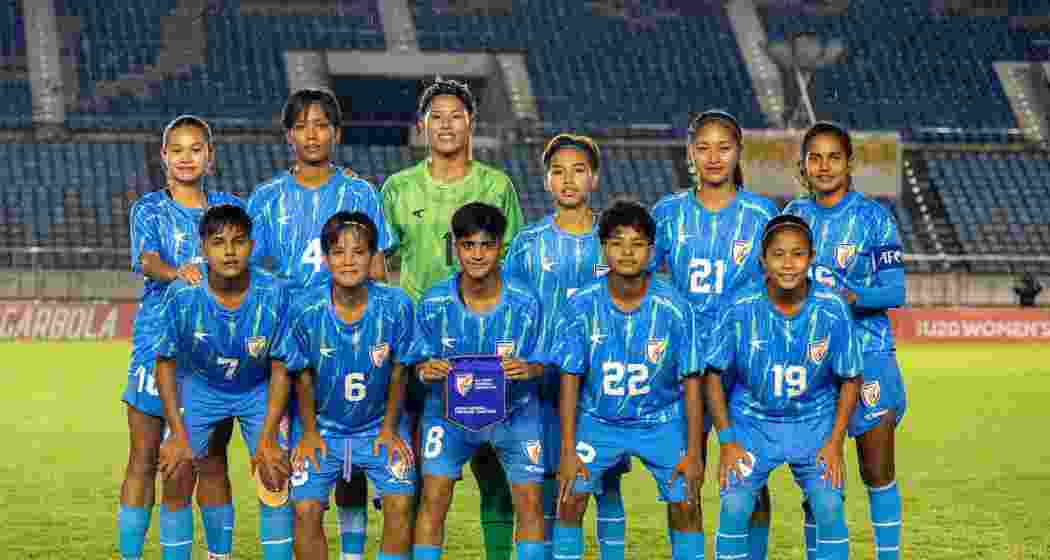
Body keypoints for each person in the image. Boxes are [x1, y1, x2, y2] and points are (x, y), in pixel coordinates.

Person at [248, 87, 396, 559]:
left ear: (336, 132)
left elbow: (378, 272)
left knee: (349, 461)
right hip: (288, 353)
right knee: (285, 466)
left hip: (352, 346)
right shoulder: (265, 199)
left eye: (321, 125)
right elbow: (253, 278)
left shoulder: (360, 192)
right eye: (301, 126)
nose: (311, 134)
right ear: (288, 135)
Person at [381, 77, 524, 560]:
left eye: (456, 116)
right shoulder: (398, 187)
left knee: (493, 467)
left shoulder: (496, 185)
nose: (446, 125)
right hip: (422, 349)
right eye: (436, 117)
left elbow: (513, 264)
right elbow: (379, 265)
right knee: (417, 470)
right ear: (422, 126)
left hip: (483, 342)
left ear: (471, 123)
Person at [650, 110, 779, 559]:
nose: (713, 157)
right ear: (690, 154)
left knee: (749, 477)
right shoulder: (667, 213)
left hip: (743, 368)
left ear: (738, 152)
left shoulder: (762, 214)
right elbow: (643, 282)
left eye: (723, 147)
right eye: (703, 148)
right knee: (684, 475)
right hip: (681, 368)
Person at [255, 212, 416, 560]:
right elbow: (301, 375)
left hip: (378, 425)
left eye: (359, 252)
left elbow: (400, 371)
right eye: (338, 252)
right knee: (305, 511)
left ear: (373, 257)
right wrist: (309, 433)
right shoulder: (304, 308)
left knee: (401, 504)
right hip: (321, 429)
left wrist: (390, 429)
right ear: (325, 258)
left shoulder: (397, 305)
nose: (348, 261)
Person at [551, 201, 706, 560]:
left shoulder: (675, 307)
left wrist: (694, 452)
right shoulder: (581, 305)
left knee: (687, 501)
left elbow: (692, 382)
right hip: (599, 420)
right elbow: (570, 378)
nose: (626, 251)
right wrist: (568, 449)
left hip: (660, 421)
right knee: (569, 498)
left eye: (637, 243)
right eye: (617, 242)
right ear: (603, 248)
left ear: (651, 251)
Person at [784, 122, 907, 560]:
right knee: (819, 481)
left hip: (868, 353)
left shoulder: (874, 217)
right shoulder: (793, 216)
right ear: (803, 165)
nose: (824, 166)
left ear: (849, 163)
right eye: (814, 158)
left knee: (877, 471)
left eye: (833, 157)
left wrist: (851, 297)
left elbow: (895, 291)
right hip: (812, 363)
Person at [706, 214, 862, 560]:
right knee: (734, 506)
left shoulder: (832, 307)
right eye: (778, 254)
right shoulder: (739, 305)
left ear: (811, 257)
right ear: (763, 259)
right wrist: (727, 441)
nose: (788, 264)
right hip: (752, 423)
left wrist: (835, 442)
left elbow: (851, 378)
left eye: (798, 254)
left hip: (814, 424)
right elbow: (713, 374)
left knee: (829, 506)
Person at [504, 133, 629, 560]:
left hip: (599, 384)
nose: (568, 180)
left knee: (606, 483)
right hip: (540, 385)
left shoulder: (614, 242)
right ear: (546, 181)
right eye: (558, 172)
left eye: (578, 170)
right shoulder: (527, 243)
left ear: (594, 178)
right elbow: (513, 312)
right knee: (543, 482)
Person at [119, 115, 239, 560]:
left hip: (214, 350)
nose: (186, 158)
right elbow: (148, 260)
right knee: (144, 457)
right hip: (157, 345)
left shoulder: (229, 207)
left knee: (210, 459)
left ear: (210, 157)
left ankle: (217, 556)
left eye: (196, 149)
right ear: (164, 157)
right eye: (177, 150)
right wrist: (177, 273)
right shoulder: (148, 209)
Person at [404, 202, 546, 560]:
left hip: (515, 412)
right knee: (433, 498)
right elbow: (416, 361)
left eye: (487, 245)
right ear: (456, 247)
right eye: (468, 245)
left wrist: (530, 369)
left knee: (530, 501)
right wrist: (424, 370)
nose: (478, 255)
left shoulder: (527, 302)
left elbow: (546, 361)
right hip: (448, 414)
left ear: (501, 247)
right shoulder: (435, 301)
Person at [154, 204, 294, 560]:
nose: (229, 251)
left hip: (257, 388)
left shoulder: (275, 293)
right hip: (202, 387)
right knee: (175, 470)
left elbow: (281, 367)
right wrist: (176, 434)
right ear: (203, 248)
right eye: (218, 242)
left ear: (252, 245)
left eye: (239, 241)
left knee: (274, 474)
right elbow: (165, 363)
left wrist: (269, 438)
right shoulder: (183, 294)